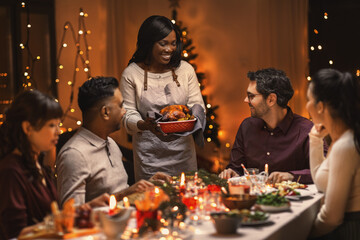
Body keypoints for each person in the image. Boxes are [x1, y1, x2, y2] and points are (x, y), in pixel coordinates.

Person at [56, 77, 170, 207]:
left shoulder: (110, 142)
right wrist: (125, 194)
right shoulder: (74, 155)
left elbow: (118, 194)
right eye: (121, 106)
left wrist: (147, 185)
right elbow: (71, 215)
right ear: (105, 112)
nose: (124, 111)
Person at [120, 15, 205, 181]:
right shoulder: (131, 74)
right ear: (148, 43)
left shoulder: (185, 70)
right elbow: (127, 113)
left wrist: (191, 119)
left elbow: (197, 104)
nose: (170, 49)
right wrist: (143, 124)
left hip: (183, 156)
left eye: (173, 43)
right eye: (163, 43)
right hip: (149, 158)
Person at [219, 68, 322, 184]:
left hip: (293, 200)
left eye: (251, 96)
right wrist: (231, 172)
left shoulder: (306, 130)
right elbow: (236, 167)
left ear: (271, 99)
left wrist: (291, 176)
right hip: (253, 200)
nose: (245, 100)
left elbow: (324, 171)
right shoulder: (247, 127)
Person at [0, 90, 62, 238]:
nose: (59, 131)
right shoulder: (11, 171)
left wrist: (90, 208)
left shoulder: (37, 164)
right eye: (52, 125)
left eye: (59, 124)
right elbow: (15, 234)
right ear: (28, 128)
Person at [307, 69, 360, 239]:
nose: (307, 105)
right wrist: (315, 140)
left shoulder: (345, 145)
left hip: (349, 230)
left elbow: (332, 217)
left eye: (309, 100)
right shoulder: (341, 140)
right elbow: (320, 179)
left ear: (320, 106)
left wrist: (306, 235)